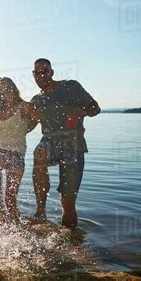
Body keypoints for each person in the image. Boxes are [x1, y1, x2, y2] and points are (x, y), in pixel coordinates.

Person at [28, 58, 101, 228]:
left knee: (68, 204)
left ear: (51, 73)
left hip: (72, 144)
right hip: (49, 142)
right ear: (33, 75)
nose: (40, 75)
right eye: (36, 72)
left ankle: (72, 241)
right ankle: (41, 211)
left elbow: (95, 108)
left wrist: (83, 111)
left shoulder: (71, 87)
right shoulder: (36, 100)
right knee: (39, 152)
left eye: (44, 71)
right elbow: (28, 126)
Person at [0, 77, 39, 223]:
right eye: (1, 90)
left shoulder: (24, 107)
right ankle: (0, 209)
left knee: (10, 199)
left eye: (8, 88)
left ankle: (17, 226)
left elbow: (38, 120)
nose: (5, 92)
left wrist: (23, 130)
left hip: (16, 154)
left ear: (14, 88)